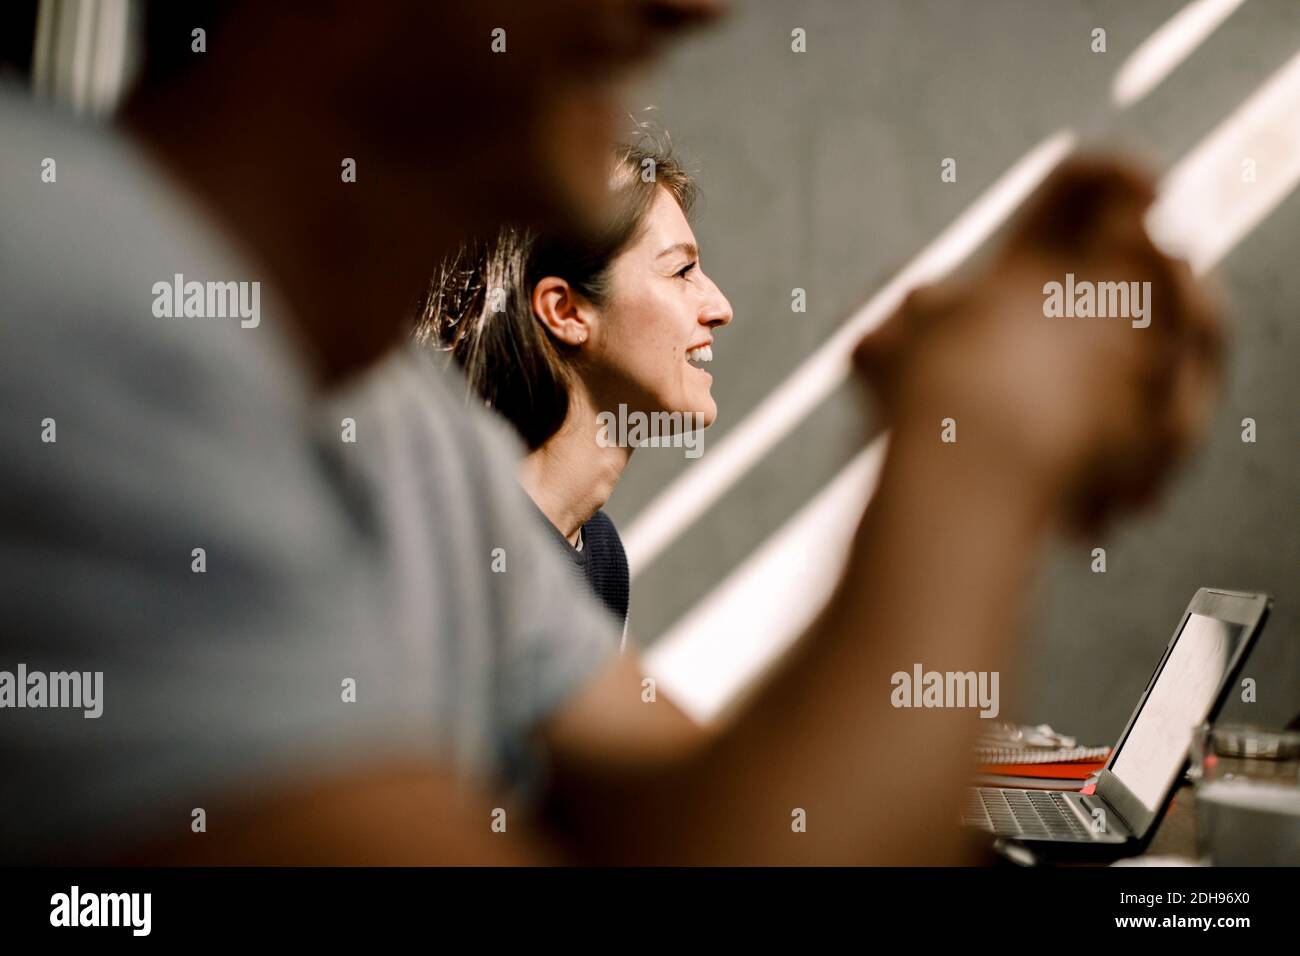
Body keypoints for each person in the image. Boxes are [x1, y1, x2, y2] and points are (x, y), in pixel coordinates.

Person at [0, 0, 1220, 866]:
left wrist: (970, 436)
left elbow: (717, 835)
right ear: (562, 312)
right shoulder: (58, 305)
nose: (694, 6)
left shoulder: (420, 430)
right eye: (680, 267)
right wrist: (981, 448)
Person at [418, 141, 732, 634]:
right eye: (681, 271)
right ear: (565, 312)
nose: (719, 306)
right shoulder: (442, 553)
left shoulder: (603, 561)